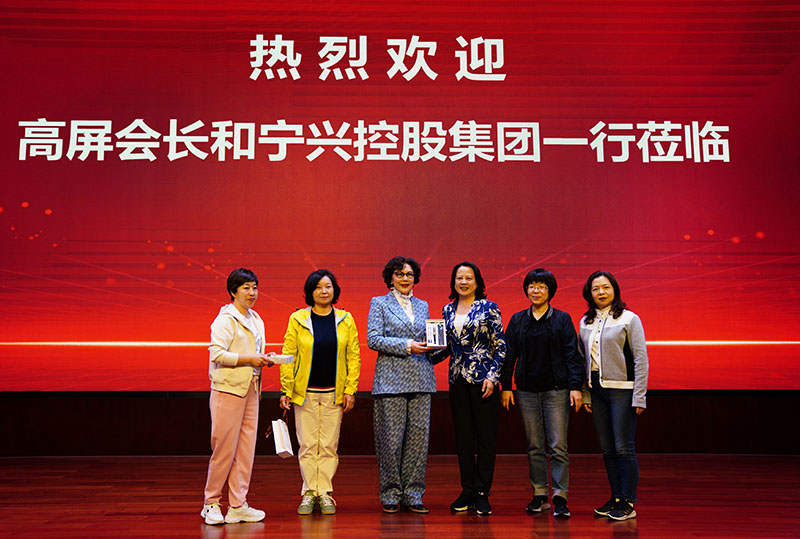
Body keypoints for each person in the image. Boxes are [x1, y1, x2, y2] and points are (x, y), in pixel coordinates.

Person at [499, 268, 584, 518]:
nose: (536, 291)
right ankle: (539, 494)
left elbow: (572, 355)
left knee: (558, 446)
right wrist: (506, 387)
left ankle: (560, 497)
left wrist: (576, 387)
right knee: (534, 446)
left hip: (556, 391)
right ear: (526, 289)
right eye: (532, 286)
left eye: (542, 286)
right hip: (526, 391)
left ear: (550, 291)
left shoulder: (562, 319)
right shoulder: (517, 320)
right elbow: (508, 355)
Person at [280, 269, 361, 515]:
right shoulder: (298, 319)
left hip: (334, 393)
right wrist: (286, 389)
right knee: (307, 445)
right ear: (310, 292)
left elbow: (353, 356)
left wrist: (350, 389)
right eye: (318, 287)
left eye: (328, 286)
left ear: (335, 290)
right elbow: (288, 355)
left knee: (328, 445)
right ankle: (308, 492)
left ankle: (324, 492)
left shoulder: (345, 319)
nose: (324, 291)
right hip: (304, 393)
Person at [201, 268, 275, 526]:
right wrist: (249, 359)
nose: (252, 293)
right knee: (224, 449)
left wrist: (264, 359)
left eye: (255, 287)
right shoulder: (225, 319)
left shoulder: (256, 318)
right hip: (228, 389)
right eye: (246, 288)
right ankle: (211, 503)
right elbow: (217, 354)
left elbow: (253, 352)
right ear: (233, 291)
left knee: (245, 450)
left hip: (251, 388)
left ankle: (237, 505)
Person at [431, 261, 506, 516]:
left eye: (468, 278)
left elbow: (500, 346)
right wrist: (424, 354)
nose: (463, 282)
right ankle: (467, 489)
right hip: (457, 381)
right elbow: (446, 348)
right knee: (463, 439)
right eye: (459, 278)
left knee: (485, 439)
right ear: (454, 282)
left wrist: (492, 377)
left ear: (477, 282)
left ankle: (482, 492)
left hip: (484, 382)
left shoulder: (489, 307)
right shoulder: (447, 309)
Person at [579, 270, 649, 521]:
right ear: (589, 293)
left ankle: (628, 501)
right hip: (596, 391)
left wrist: (639, 396)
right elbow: (582, 360)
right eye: (595, 288)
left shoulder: (629, 319)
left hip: (623, 390)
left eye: (606, 287)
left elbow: (641, 359)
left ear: (615, 290)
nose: (601, 292)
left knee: (623, 447)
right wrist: (586, 394)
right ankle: (616, 497)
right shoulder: (585, 322)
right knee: (607, 448)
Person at [367, 256, 435, 514]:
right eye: (399, 274)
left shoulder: (423, 305)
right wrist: (407, 346)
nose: (405, 278)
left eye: (409, 274)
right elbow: (373, 339)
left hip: (421, 379)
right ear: (391, 278)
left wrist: (439, 344)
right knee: (390, 441)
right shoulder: (379, 303)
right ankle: (390, 493)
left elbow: (427, 340)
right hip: (390, 381)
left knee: (418, 442)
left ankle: (413, 494)